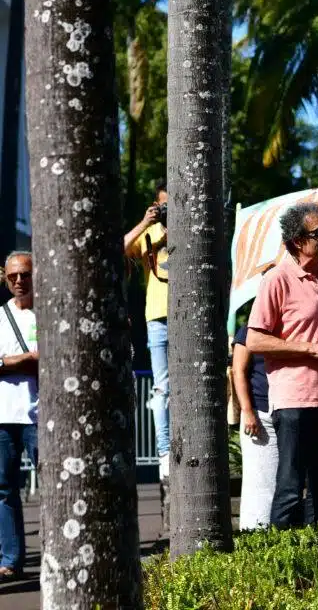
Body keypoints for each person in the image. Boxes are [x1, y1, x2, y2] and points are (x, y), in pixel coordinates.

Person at [247, 202, 318, 527]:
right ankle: (279, 554)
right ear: (296, 241)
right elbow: (255, 340)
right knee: (291, 489)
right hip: (292, 401)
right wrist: (311, 350)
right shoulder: (277, 279)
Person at [123, 180, 170, 529]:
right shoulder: (150, 232)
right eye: (164, 205)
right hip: (157, 317)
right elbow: (120, 249)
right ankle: (165, 452)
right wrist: (147, 221)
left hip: (190, 318)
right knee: (162, 388)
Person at [0, 252, 38, 580]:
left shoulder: (48, 313)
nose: (19, 281)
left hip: (40, 414)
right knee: (3, 489)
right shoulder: (0, 316)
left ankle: (57, 552)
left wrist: (8, 361)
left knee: (55, 486)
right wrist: (24, 360)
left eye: (24, 274)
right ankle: (11, 560)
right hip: (4, 415)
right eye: (13, 276)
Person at [232, 291, 278, 530]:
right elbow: (238, 371)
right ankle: (255, 531)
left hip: (282, 409)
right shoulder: (248, 330)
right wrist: (248, 411)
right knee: (259, 480)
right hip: (258, 412)